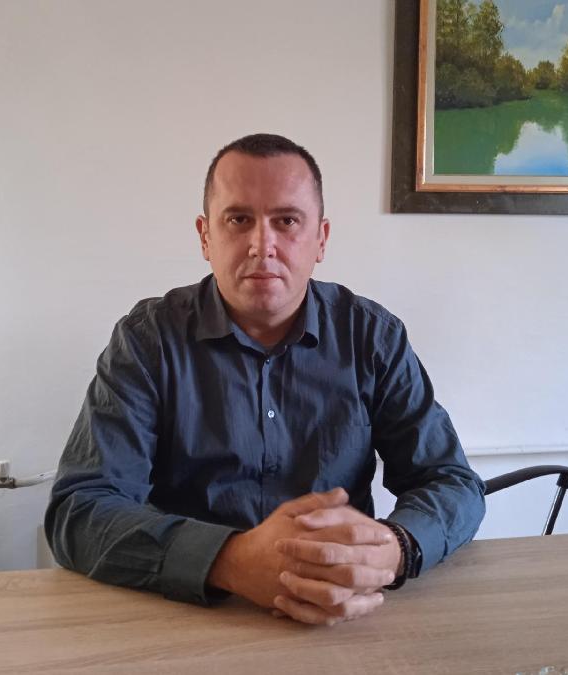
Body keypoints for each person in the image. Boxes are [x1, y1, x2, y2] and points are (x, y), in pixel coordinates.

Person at [45, 133, 485, 626]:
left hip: (345, 614)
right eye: (238, 220)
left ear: (321, 239)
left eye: (287, 221)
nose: (263, 246)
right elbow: (80, 509)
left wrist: (395, 548)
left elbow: (451, 482)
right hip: (189, 616)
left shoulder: (371, 337)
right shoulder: (148, 341)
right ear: (205, 236)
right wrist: (230, 561)